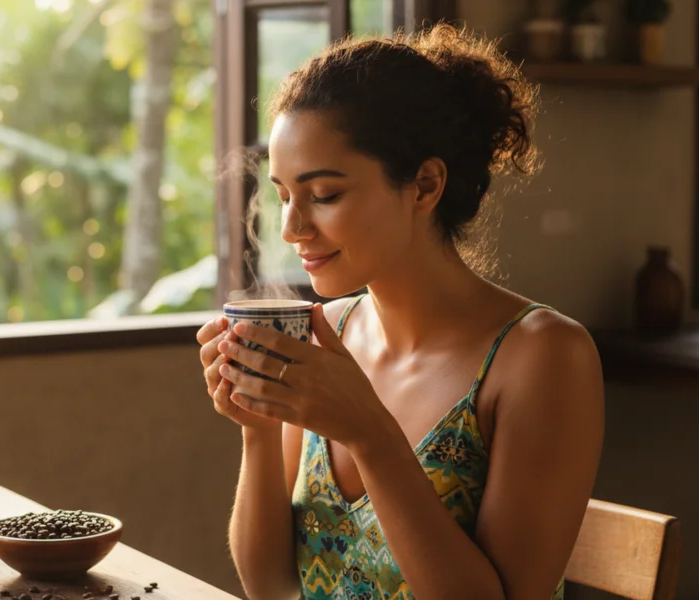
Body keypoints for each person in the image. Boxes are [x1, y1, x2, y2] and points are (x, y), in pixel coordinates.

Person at [196, 24, 604, 600]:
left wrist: (370, 434)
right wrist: (259, 432)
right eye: (285, 194)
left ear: (424, 185)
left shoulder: (541, 355)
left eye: (326, 195)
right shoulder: (325, 332)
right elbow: (272, 588)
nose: (291, 229)